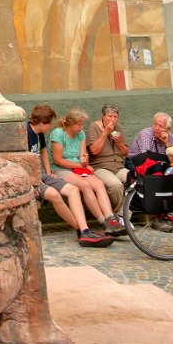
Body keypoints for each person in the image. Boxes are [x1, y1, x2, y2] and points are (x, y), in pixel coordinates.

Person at [27, 105, 113, 247]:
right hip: (30, 178)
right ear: (42, 123)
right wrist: (33, 183)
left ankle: (85, 231)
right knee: (55, 194)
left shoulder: (39, 134)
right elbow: (19, 161)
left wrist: (48, 173)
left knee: (73, 190)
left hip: (41, 174)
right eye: (49, 123)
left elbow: (42, 152)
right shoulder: (24, 133)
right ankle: (83, 230)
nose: (51, 127)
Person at [48, 109, 126, 236]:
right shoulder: (58, 133)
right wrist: (80, 165)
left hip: (78, 168)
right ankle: (104, 222)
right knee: (85, 185)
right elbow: (58, 160)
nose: (81, 127)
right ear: (70, 124)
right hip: (61, 169)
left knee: (99, 184)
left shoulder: (81, 134)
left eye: (82, 124)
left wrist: (84, 161)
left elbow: (83, 154)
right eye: (79, 124)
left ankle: (110, 218)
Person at [86, 103, 129, 215]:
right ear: (103, 116)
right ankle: (121, 215)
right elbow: (94, 151)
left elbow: (125, 153)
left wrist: (119, 143)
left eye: (115, 117)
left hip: (119, 166)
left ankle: (140, 215)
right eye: (110, 116)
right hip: (100, 167)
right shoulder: (94, 127)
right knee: (115, 185)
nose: (113, 120)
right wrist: (105, 133)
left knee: (136, 180)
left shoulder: (118, 127)